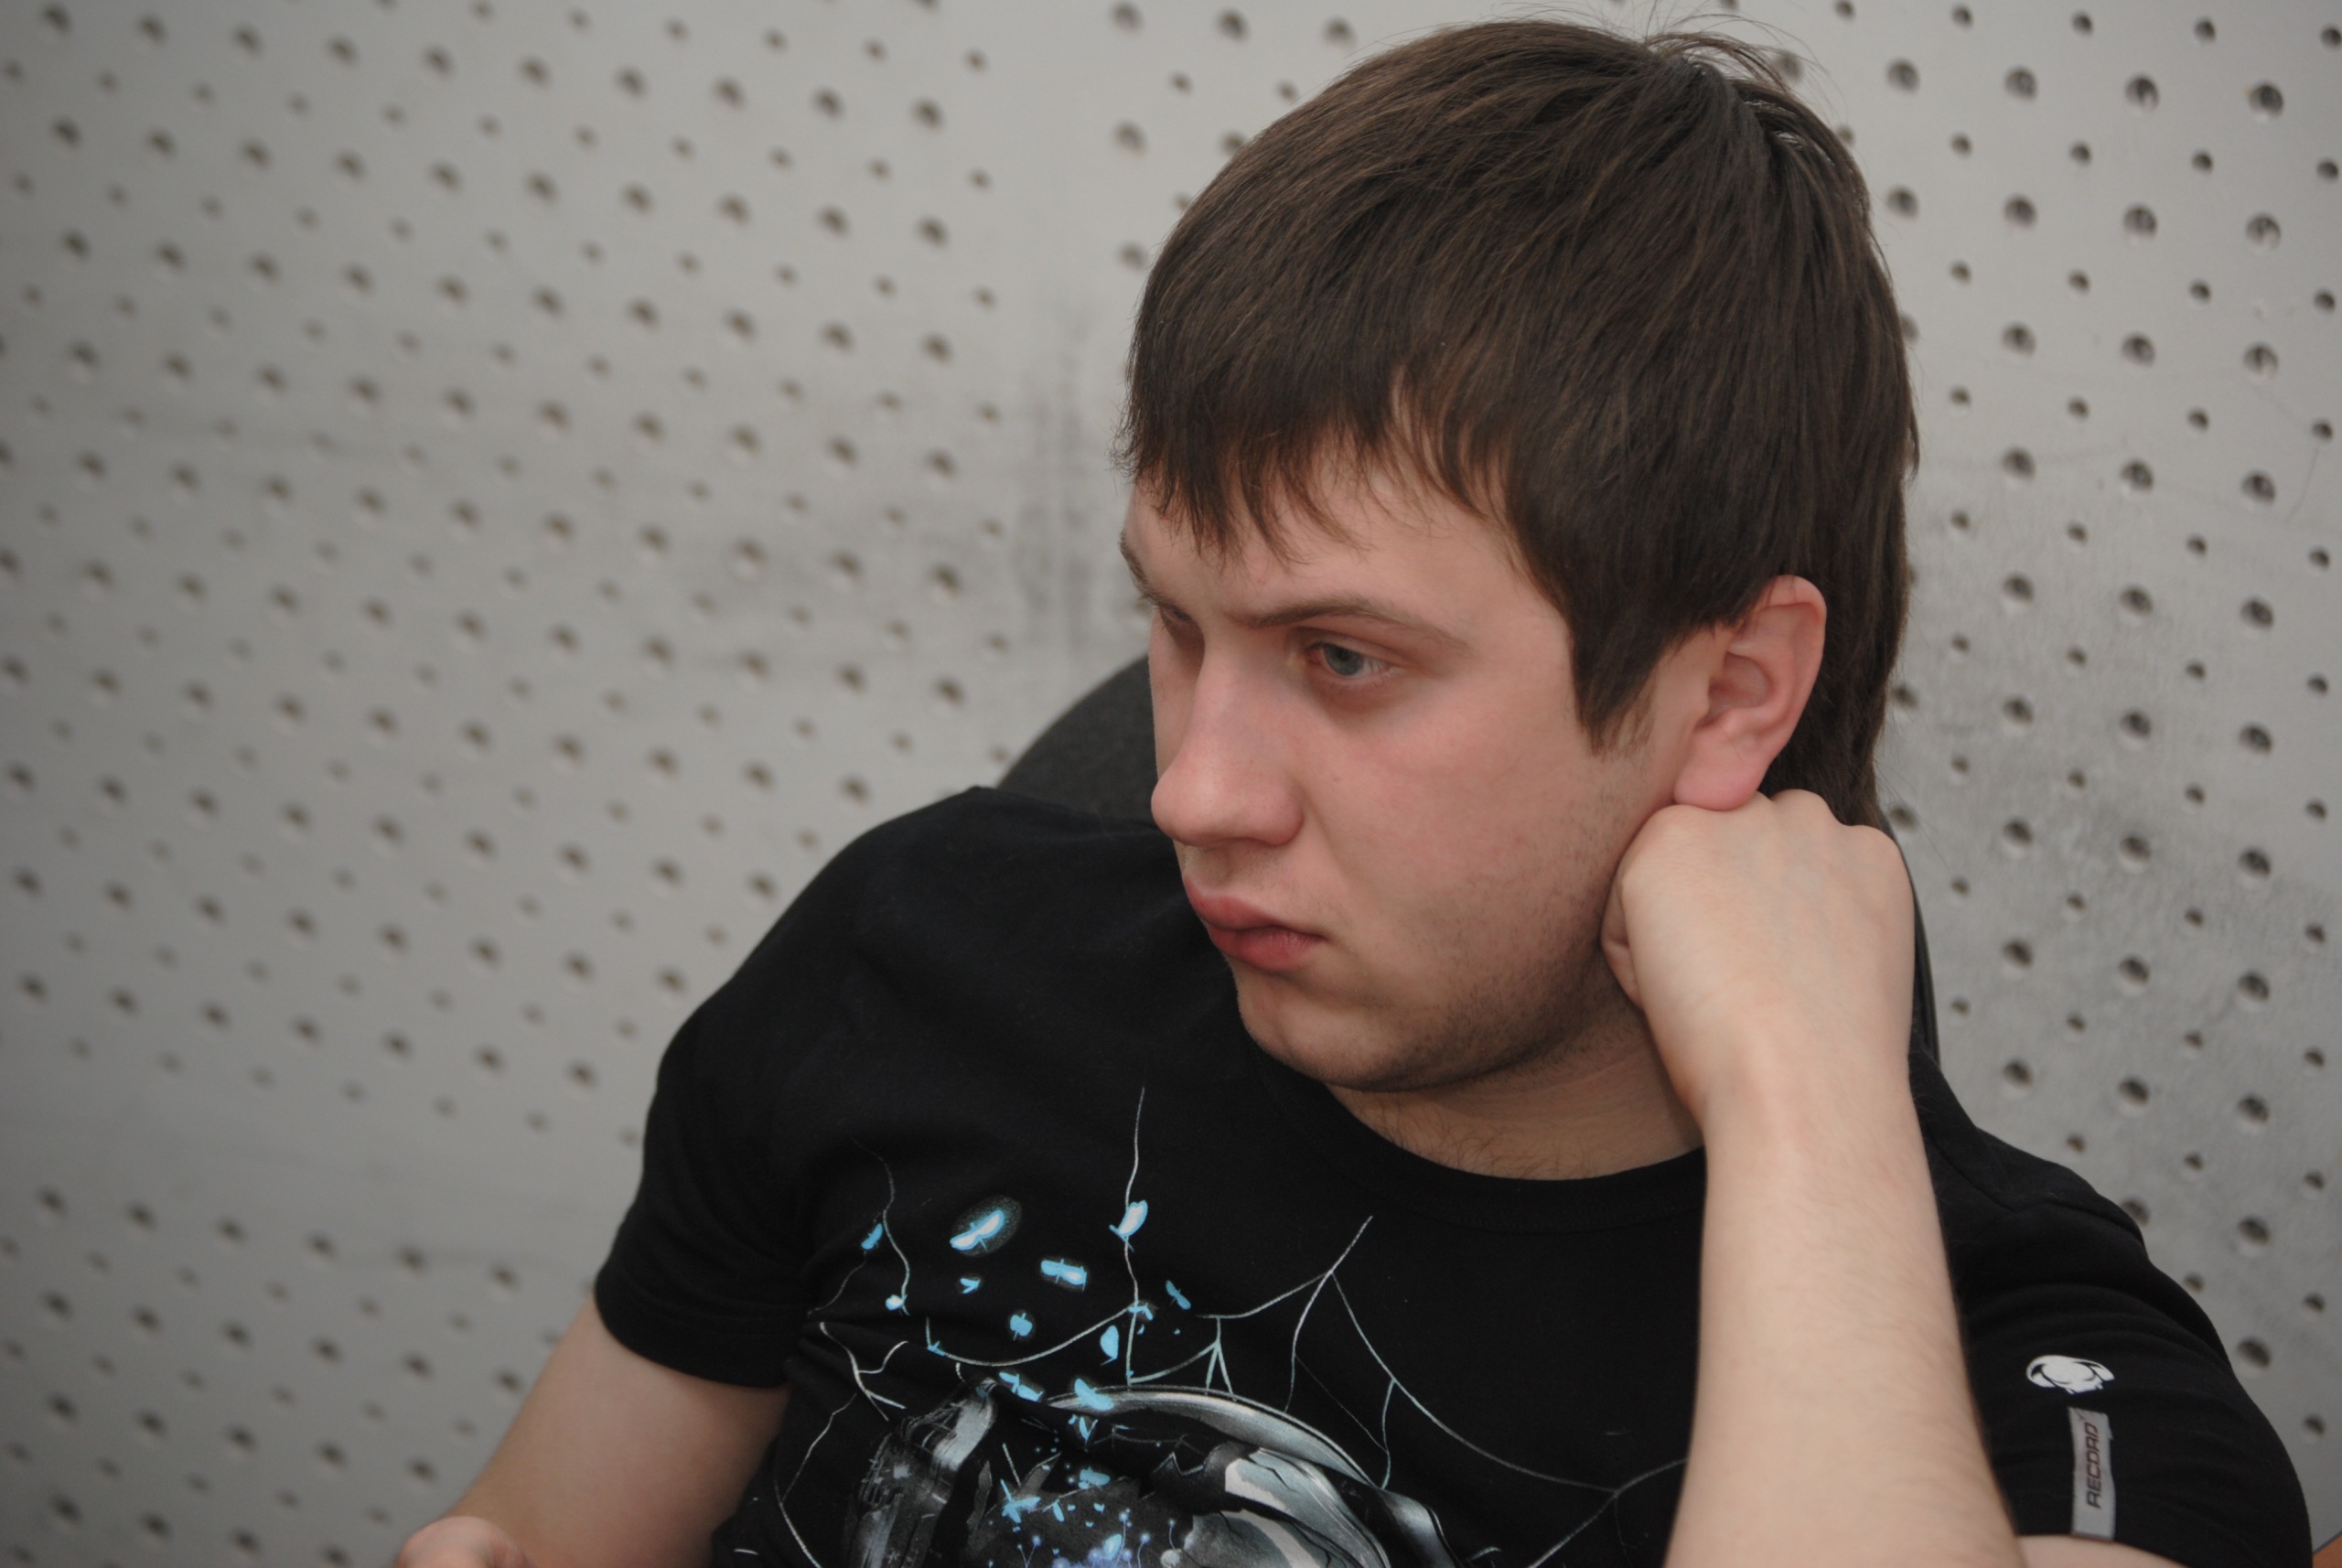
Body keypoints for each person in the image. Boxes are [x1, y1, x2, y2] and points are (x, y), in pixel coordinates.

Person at [398, 20, 2309, 1568]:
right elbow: (548, 1528)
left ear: (1727, 692)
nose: (1192, 791)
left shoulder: (2050, 1402)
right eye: (1176, 624)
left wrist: (1809, 1100)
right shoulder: (916, 957)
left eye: (1341, 657)